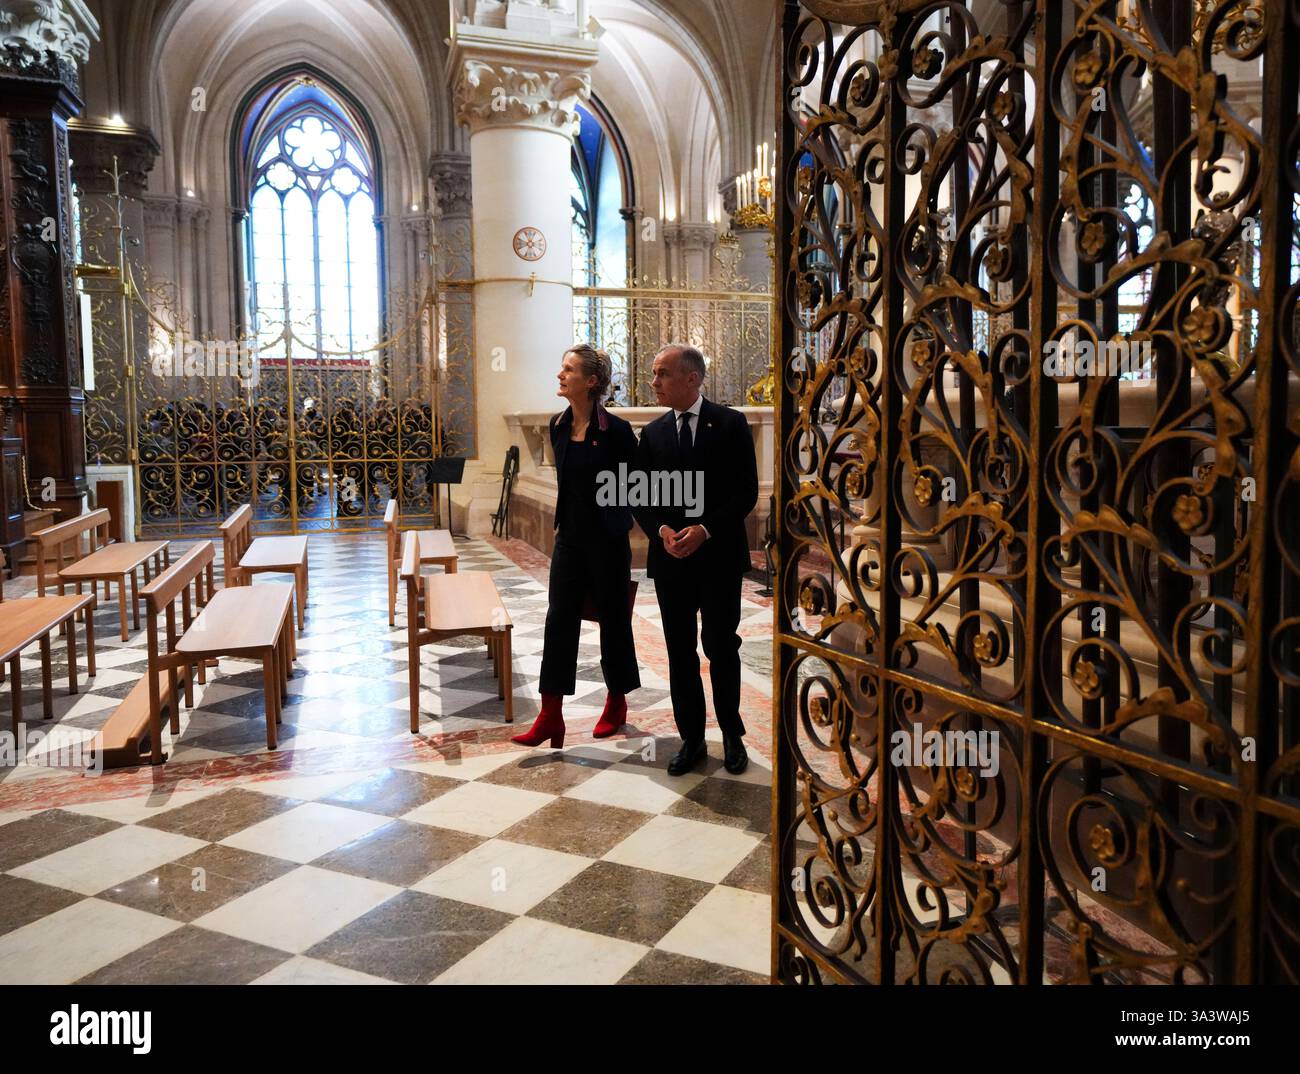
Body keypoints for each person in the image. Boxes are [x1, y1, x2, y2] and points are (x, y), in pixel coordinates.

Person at [632, 343, 758, 775]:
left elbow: (746, 492)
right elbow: (640, 496)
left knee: (722, 647)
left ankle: (732, 735)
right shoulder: (653, 434)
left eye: (662, 373)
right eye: (654, 373)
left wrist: (704, 529)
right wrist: (663, 531)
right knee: (680, 651)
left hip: (718, 557)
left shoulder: (730, 424)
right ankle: (691, 739)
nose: (654, 382)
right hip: (671, 562)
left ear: (692, 378)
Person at [511, 344, 641, 749]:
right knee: (558, 621)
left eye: (568, 370)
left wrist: (617, 523)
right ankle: (551, 715)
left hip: (607, 542)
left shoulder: (616, 432)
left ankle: (616, 703)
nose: (560, 375)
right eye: (561, 367)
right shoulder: (558, 425)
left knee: (613, 623)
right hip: (568, 540)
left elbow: (635, 487)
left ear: (591, 381)